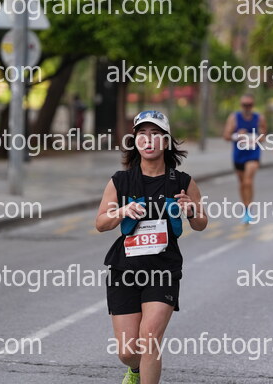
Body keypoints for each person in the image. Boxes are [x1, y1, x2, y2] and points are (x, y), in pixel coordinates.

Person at [96, 111, 208, 384]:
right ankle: (134, 370)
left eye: (156, 134)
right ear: (135, 142)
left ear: (166, 142)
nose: (149, 140)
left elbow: (201, 223)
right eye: (142, 135)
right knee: (128, 351)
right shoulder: (120, 181)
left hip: (163, 270)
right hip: (125, 270)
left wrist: (191, 210)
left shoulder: (182, 182)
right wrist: (121, 211)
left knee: (150, 338)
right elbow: (101, 223)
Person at [223, 94, 267, 224]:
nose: (247, 107)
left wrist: (254, 138)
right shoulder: (234, 118)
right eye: (244, 105)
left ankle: (249, 210)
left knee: (248, 181)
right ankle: (246, 208)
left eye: (249, 105)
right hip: (239, 155)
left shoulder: (259, 118)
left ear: (253, 105)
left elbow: (264, 136)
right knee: (242, 184)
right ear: (241, 105)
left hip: (253, 154)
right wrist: (237, 135)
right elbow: (226, 136)